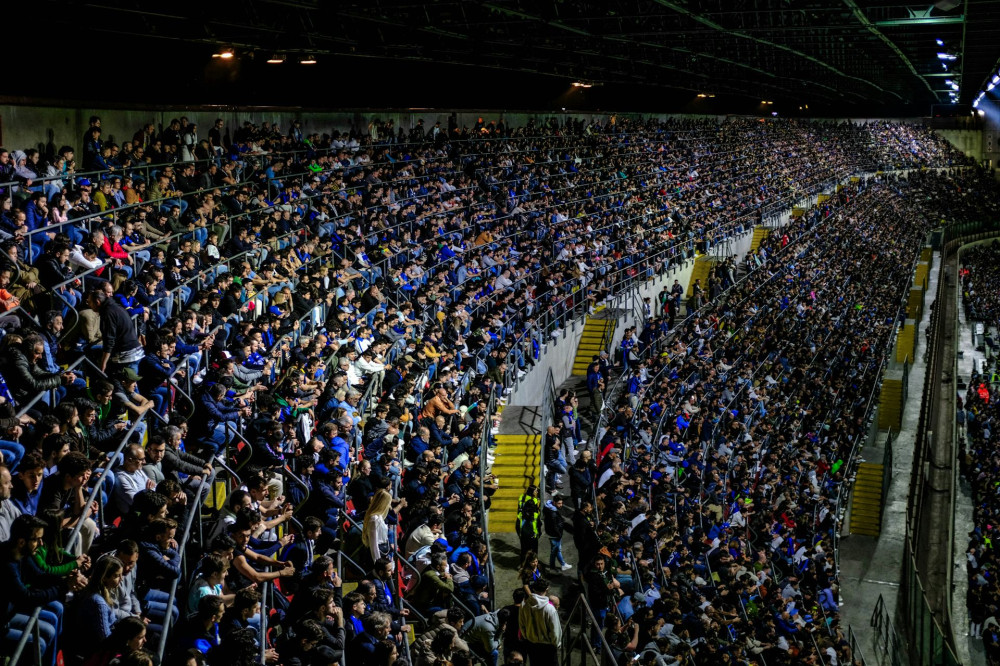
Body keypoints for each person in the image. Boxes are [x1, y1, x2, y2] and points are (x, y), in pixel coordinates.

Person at [518, 578, 561, 666]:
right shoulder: (550, 608)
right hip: (548, 646)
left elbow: (521, 624)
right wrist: (555, 644)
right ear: (547, 589)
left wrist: (526, 637)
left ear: (533, 589)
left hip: (531, 644)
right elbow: (555, 630)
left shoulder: (524, 605)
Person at [361, 488, 392, 568]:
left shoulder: (380, 517)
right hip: (377, 556)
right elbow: (374, 544)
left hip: (383, 552)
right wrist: (378, 564)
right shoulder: (374, 519)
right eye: (388, 503)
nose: (389, 506)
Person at [542, 494, 571, 571]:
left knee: (557, 550)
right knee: (554, 551)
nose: (561, 505)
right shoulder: (553, 513)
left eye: (561, 503)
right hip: (554, 534)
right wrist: (559, 534)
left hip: (552, 533)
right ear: (554, 502)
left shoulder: (549, 508)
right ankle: (553, 567)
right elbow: (554, 526)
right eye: (559, 503)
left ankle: (563, 564)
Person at [516, 484, 540, 556]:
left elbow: (519, 507)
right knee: (533, 549)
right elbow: (536, 513)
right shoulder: (534, 500)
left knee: (524, 547)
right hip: (532, 532)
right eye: (536, 491)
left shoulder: (522, 497)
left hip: (521, 521)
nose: (537, 492)